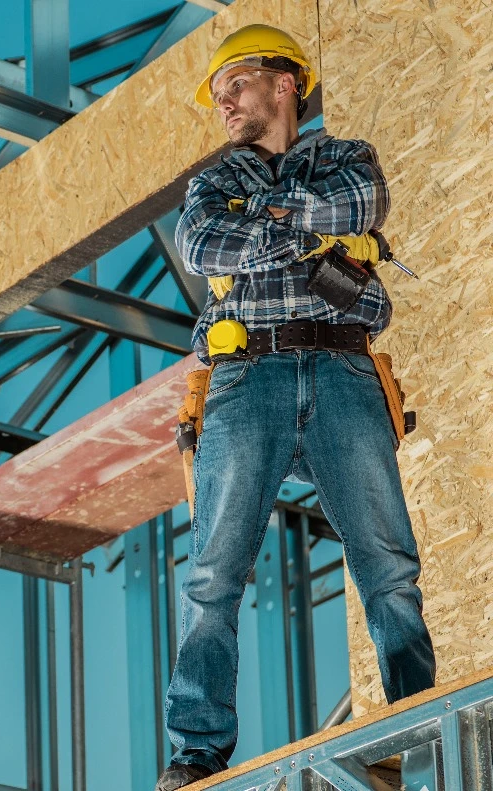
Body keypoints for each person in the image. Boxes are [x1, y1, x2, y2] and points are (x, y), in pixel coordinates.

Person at [155, 24, 437, 791]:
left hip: (345, 367)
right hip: (247, 379)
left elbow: (363, 200)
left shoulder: (348, 158)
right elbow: (206, 246)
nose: (224, 104)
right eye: (217, 96)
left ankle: (423, 731)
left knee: (389, 566)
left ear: (285, 83)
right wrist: (309, 228)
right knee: (214, 573)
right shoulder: (212, 184)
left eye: (234, 86)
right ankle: (196, 753)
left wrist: (268, 221)